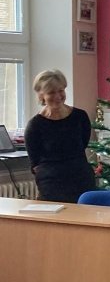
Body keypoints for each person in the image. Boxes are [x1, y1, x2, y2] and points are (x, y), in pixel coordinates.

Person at [24, 69, 95, 203]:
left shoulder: (80, 117)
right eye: (51, 92)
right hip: (51, 185)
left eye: (61, 90)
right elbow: (35, 163)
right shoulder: (35, 125)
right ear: (41, 95)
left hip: (82, 180)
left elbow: (83, 144)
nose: (58, 96)